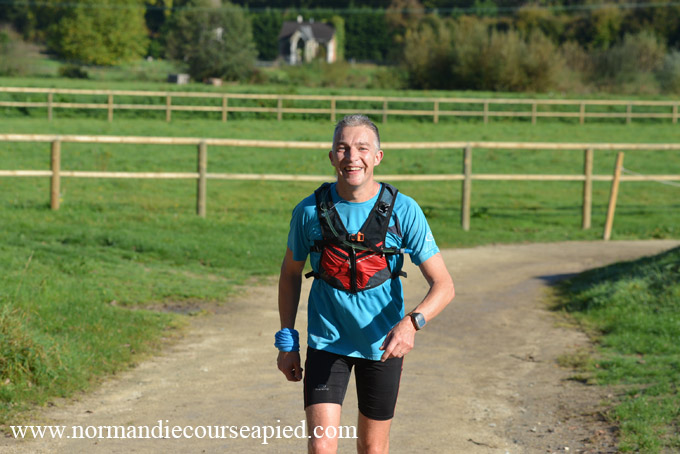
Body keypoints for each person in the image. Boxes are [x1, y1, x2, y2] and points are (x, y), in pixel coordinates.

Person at [276, 114, 455, 454]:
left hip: (382, 346)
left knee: (372, 448)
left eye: (362, 148)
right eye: (343, 148)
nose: (352, 157)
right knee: (321, 447)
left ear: (377, 156)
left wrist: (411, 324)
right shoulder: (309, 211)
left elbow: (444, 285)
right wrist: (287, 341)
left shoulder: (404, 210)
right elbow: (289, 273)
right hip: (327, 342)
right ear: (332, 157)